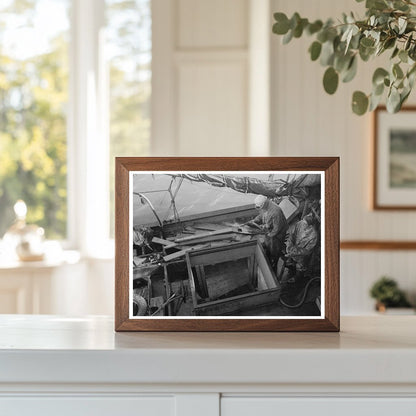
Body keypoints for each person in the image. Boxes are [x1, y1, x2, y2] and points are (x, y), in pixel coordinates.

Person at [249, 195, 288, 269]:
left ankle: (274, 264)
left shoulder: (276, 211)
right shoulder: (265, 206)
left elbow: (277, 228)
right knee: (268, 245)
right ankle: (269, 256)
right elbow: (262, 215)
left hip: (277, 235)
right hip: (270, 230)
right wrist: (255, 220)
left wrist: (269, 234)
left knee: (274, 249)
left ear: (264, 203)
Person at [286, 213, 318, 282]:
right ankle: (292, 265)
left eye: (304, 224)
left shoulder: (314, 235)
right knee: (292, 261)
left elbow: (308, 251)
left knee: (300, 267)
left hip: (302, 255)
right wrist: (289, 245)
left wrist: (295, 252)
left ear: (310, 226)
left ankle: (297, 278)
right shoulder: (299, 224)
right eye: (302, 222)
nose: (302, 225)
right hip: (294, 249)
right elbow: (292, 235)